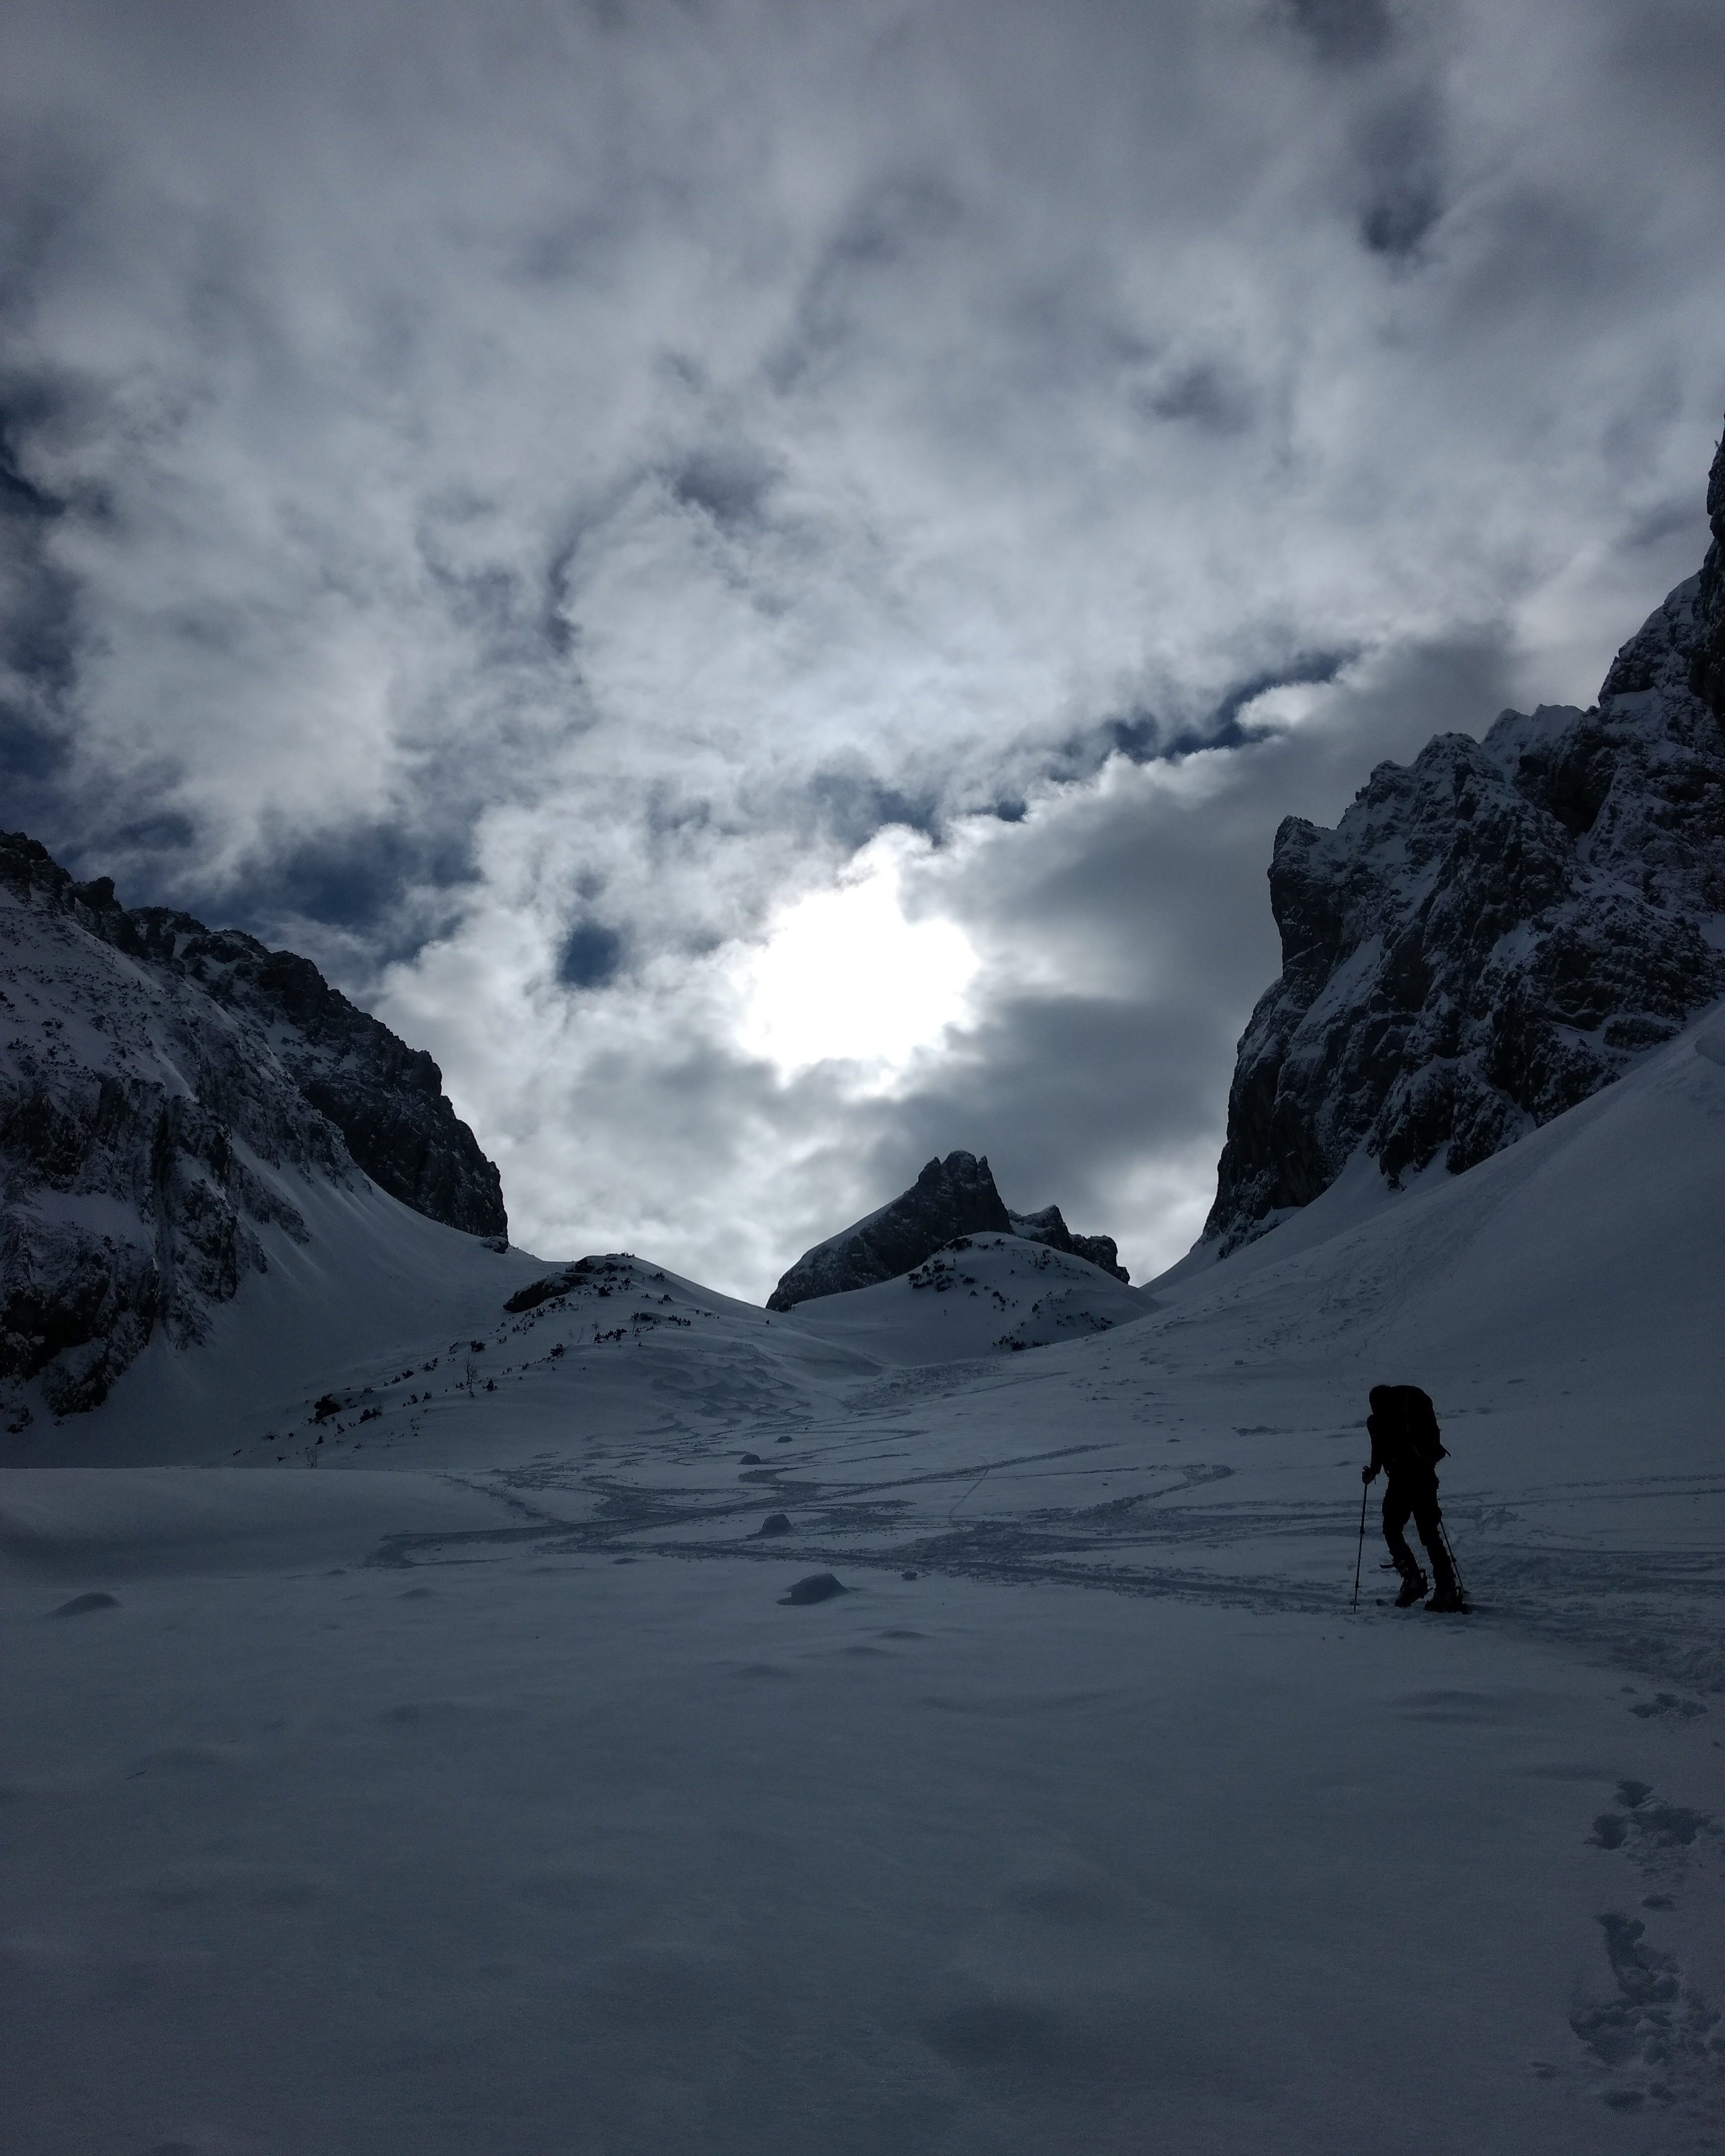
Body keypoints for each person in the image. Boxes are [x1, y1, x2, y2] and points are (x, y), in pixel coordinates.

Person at [1364, 1384, 1465, 1612]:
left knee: (1394, 1529)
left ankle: (1414, 1580)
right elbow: (1381, 1449)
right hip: (1422, 1477)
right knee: (1428, 1533)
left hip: (1405, 1480)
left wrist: (1373, 1471)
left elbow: (1378, 1451)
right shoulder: (1396, 1414)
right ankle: (1445, 1588)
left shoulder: (1385, 1419)